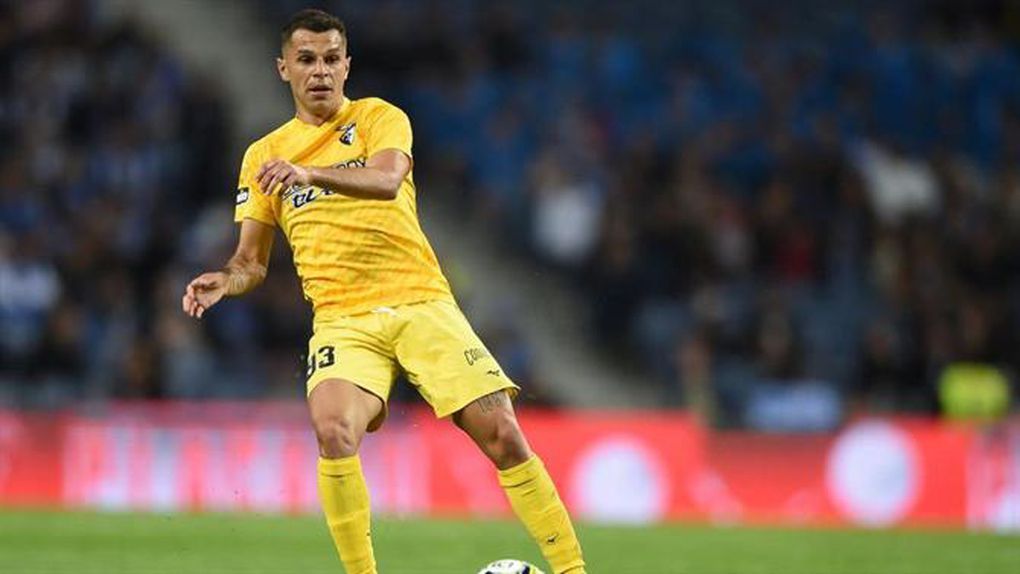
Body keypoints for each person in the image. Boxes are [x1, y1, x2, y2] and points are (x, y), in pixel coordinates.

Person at [181, 9, 586, 574]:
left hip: (420, 301)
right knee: (333, 430)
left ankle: (572, 571)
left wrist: (311, 174)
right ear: (283, 68)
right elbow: (251, 262)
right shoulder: (262, 156)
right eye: (306, 59)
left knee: (503, 434)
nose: (320, 71)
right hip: (343, 319)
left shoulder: (378, 117)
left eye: (331, 59)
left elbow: (387, 179)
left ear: (347, 65)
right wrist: (226, 280)